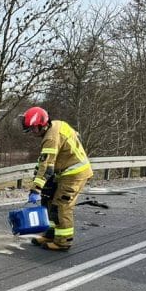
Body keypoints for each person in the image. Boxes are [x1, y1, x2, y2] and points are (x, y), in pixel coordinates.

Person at [20, 106, 93, 251]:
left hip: (74, 174)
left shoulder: (50, 138)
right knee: (49, 201)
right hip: (65, 172)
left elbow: (46, 166)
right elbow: (46, 160)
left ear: (42, 124)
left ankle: (63, 242)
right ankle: (51, 235)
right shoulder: (57, 124)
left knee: (61, 206)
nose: (32, 133)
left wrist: (36, 189)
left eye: (33, 129)